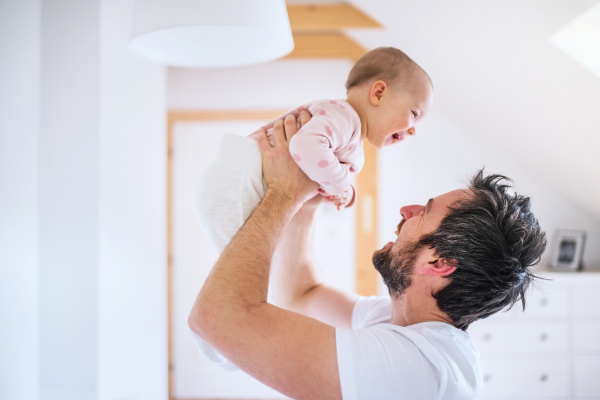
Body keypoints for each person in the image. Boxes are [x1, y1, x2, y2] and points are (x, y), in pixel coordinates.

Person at [188, 113, 548, 400]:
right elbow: (305, 293)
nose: (406, 210)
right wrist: (305, 204)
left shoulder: (420, 368)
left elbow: (215, 320)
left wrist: (283, 193)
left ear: (439, 263)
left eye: (424, 211)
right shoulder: (402, 327)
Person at [193, 47, 434, 369]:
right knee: (242, 275)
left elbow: (317, 162)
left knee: (241, 269)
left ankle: (223, 344)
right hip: (238, 181)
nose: (414, 129)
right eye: (414, 113)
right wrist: (340, 185)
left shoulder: (348, 129)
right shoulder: (344, 117)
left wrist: (336, 184)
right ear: (378, 92)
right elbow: (305, 147)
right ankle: (222, 347)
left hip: (237, 181)